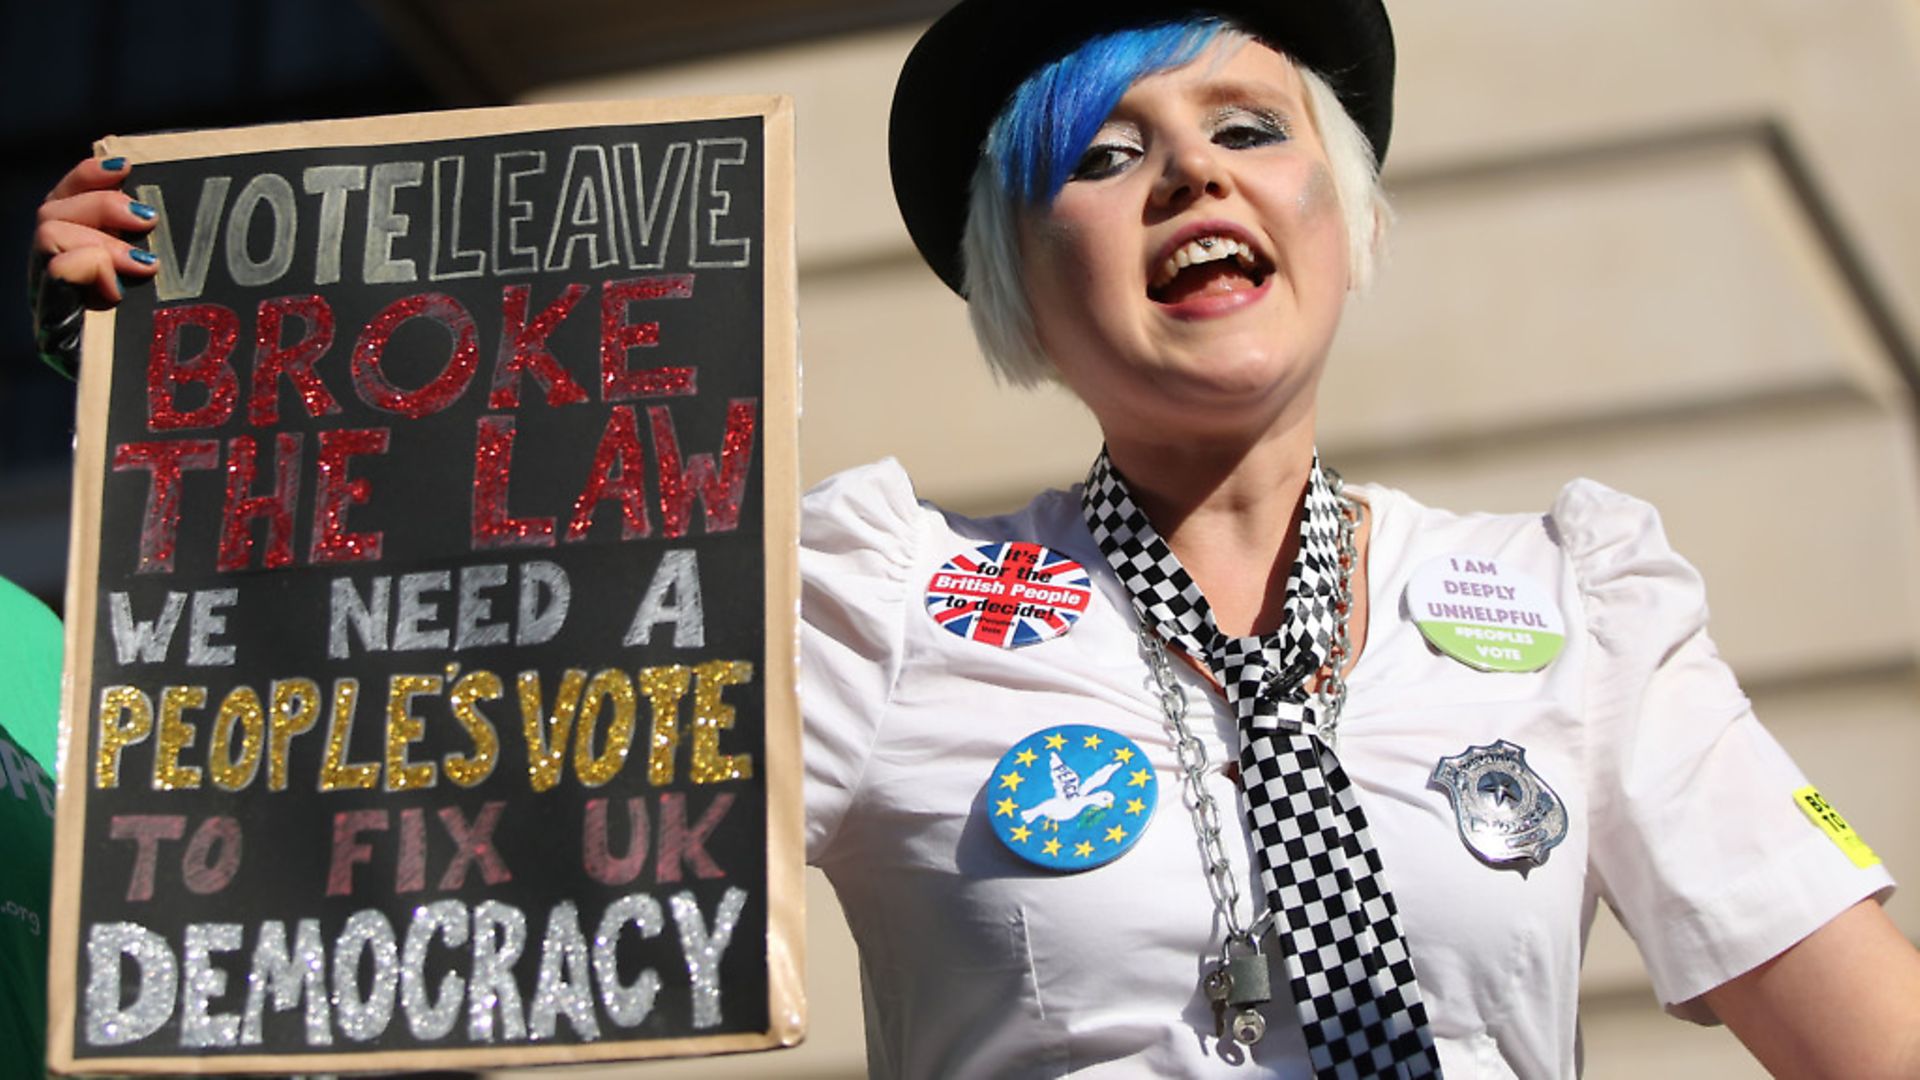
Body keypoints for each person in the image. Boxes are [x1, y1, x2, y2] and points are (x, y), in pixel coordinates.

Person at [31, 1, 1920, 1076]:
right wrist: (207, 374)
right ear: (1020, 279)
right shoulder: (885, 606)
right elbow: (382, 851)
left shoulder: (1575, 607)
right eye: (1102, 154)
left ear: (1333, 207)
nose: (1190, 171)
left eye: (1250, 127)